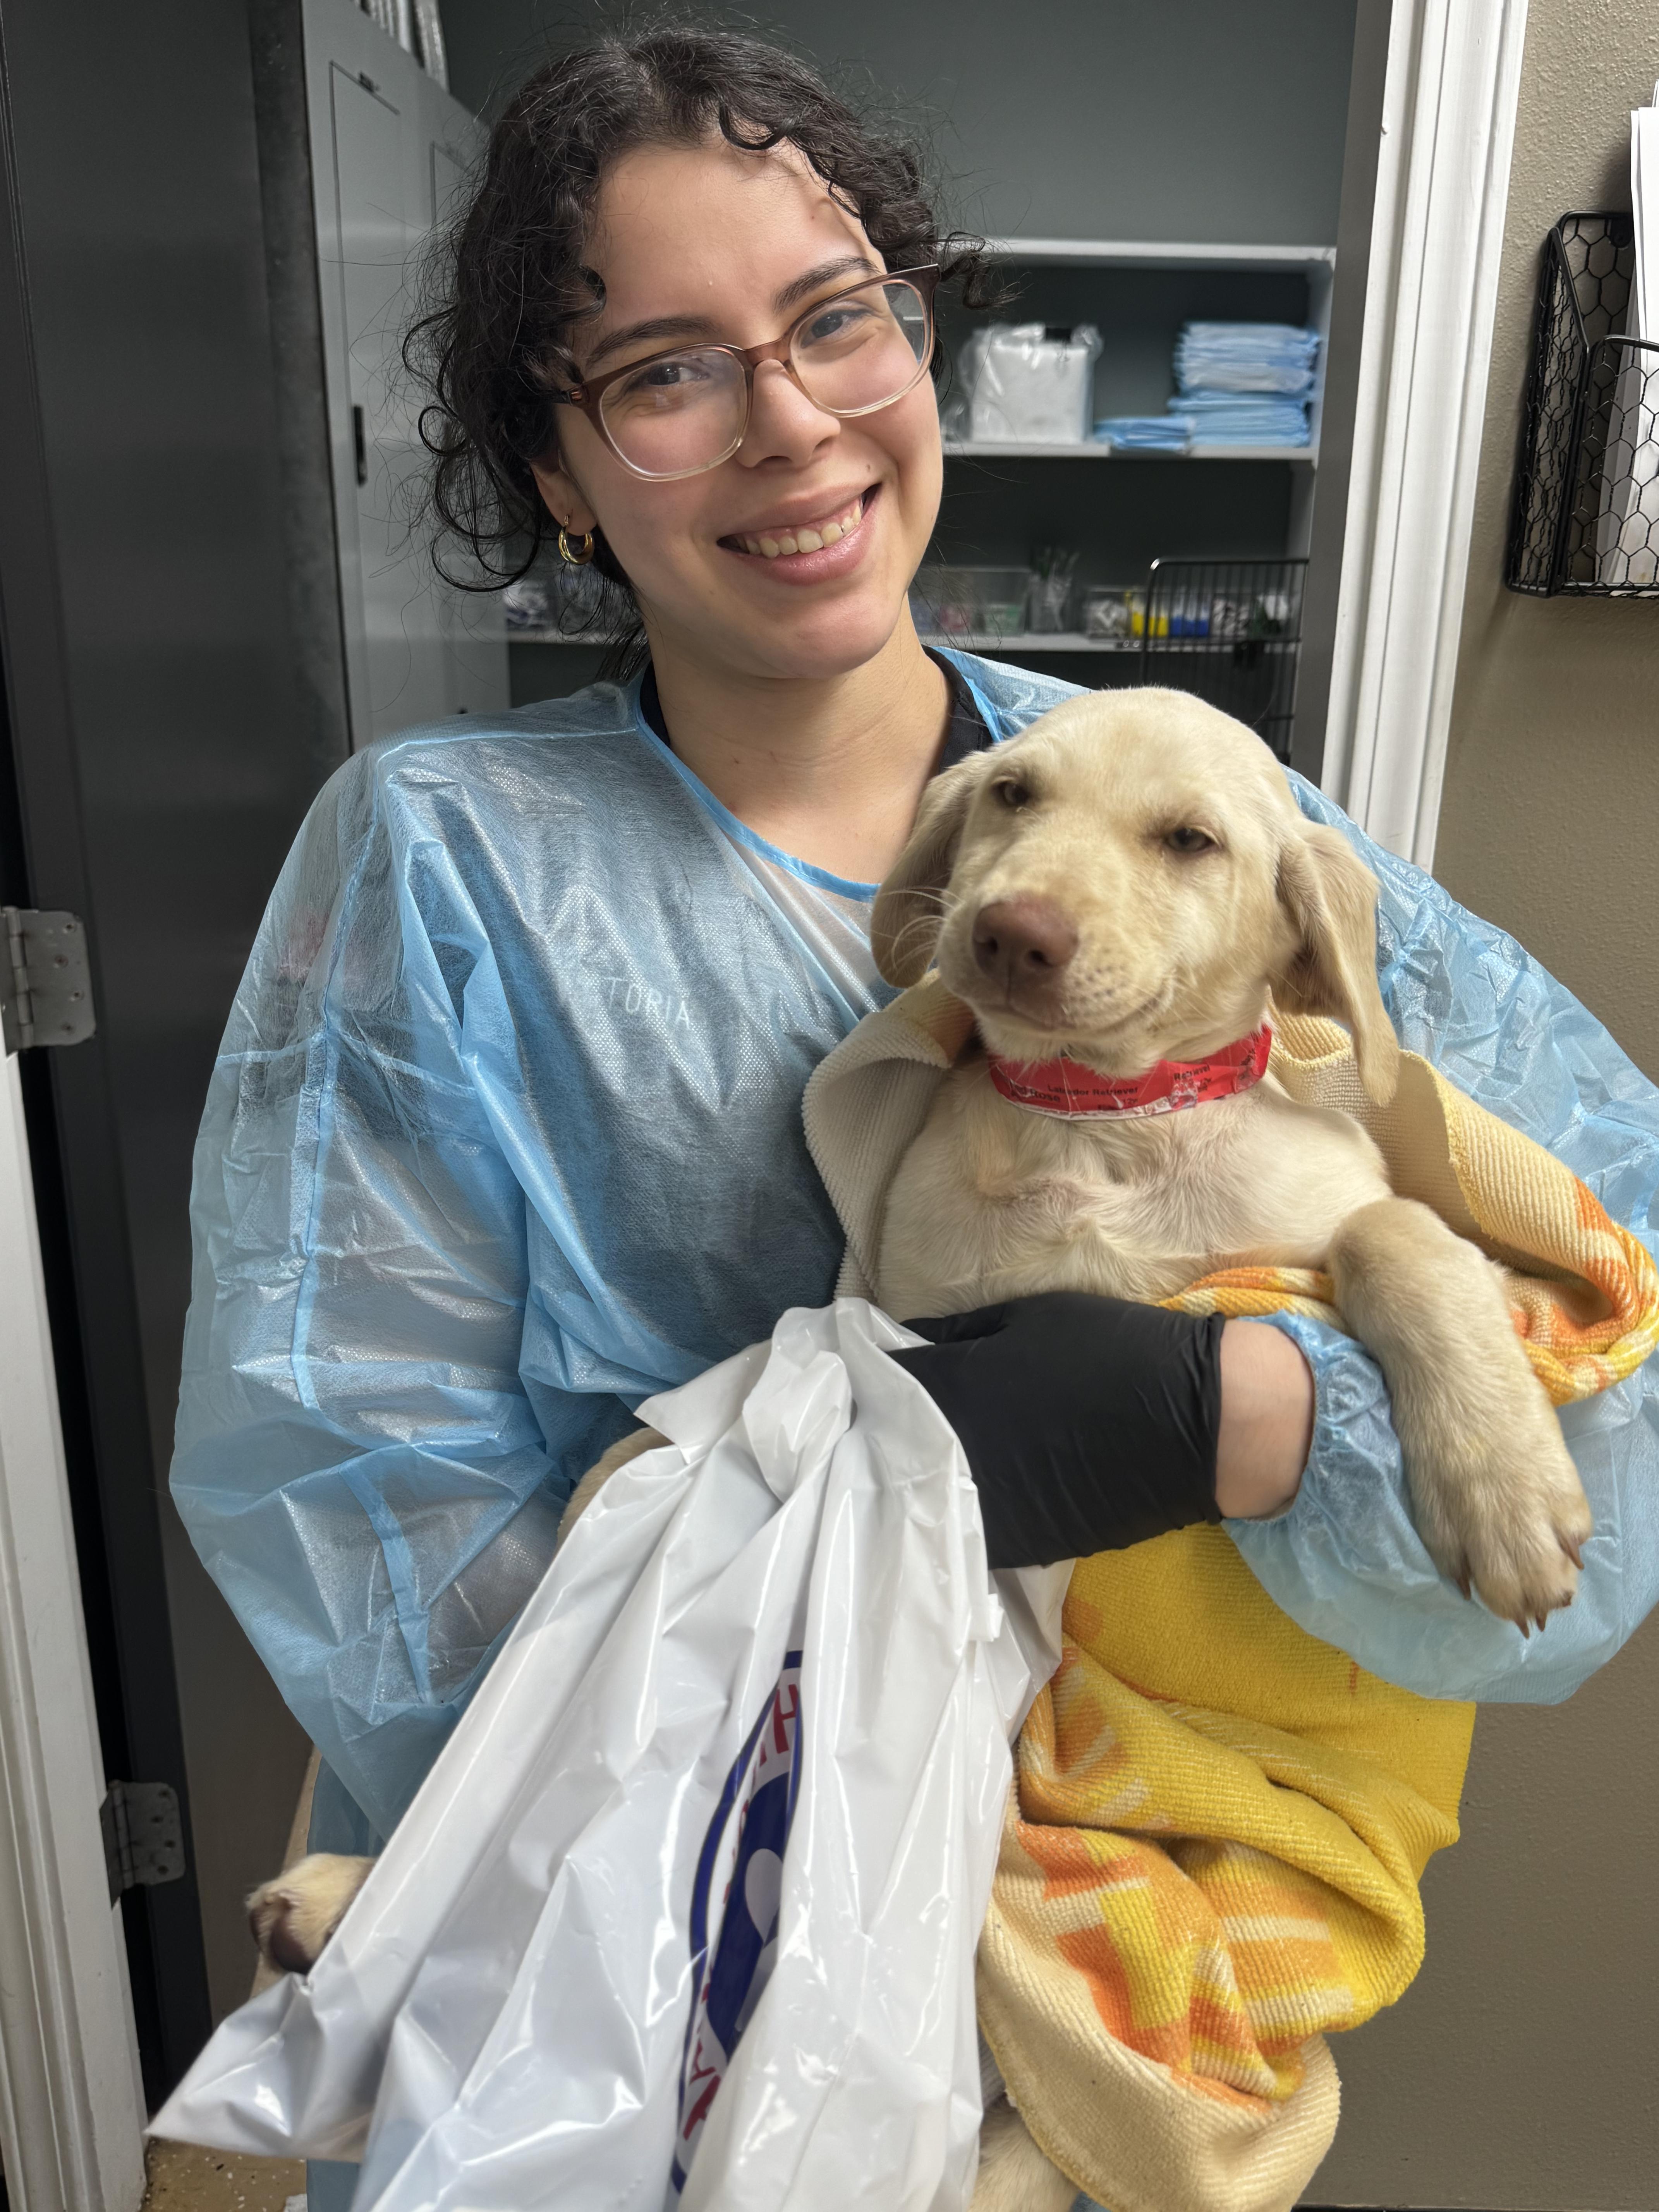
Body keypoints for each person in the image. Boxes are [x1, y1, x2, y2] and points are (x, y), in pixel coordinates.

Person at [170, 24, 1659, 2209]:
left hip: (1125, 1933)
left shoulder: (1221, 826)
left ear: (917, 342)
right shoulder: (448, 868)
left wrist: (1242, 1410)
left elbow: (1602, 1368)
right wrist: (754, 1802)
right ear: (561, 467)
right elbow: (364, 1491)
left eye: (834, 319)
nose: (792, 421)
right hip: (616, 1945)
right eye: (667, 370)